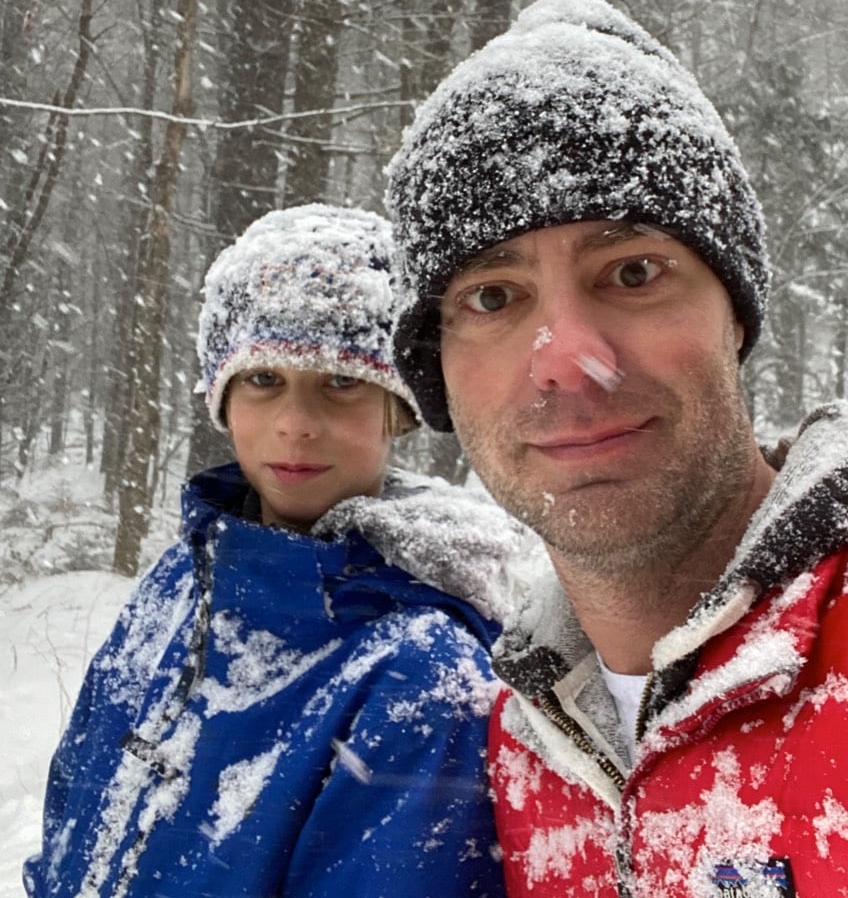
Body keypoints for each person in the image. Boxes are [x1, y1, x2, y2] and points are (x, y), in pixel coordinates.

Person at [385, 0, 848, 897]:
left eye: (632, 273)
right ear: (437, 368)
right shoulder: (522, 752)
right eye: (492, 297)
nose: (568, 361)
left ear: (735, 317)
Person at [24, 204, 528, 897]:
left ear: (400, 410)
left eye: (341, 382)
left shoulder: (422, 676)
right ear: (223, 398)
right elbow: (70, 818)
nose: (295, 425)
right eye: (264, 380)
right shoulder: (182, 580)